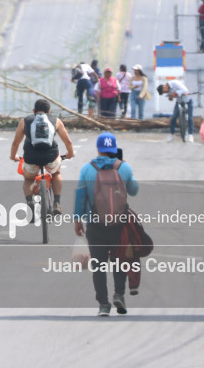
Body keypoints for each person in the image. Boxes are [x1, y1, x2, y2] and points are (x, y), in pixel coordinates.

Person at [74, 132, 139, 317]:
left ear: (98, 149)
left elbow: (80, 196)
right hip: (120, 225)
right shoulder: (123, 167)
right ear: (114, 149)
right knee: (120, 261)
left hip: (95, 225)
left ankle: (103, 304)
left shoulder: (87, 169)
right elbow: (134, 191)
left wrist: (78, 220)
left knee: (99, 266)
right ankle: (119, 294)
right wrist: (125, 170)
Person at [10, 99, 75, 216]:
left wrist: (13, 155)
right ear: (49, 111)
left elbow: (15, 143)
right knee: (56, 174)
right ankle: (56, 203)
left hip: (31, 156)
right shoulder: (56, 120)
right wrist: (70, 154)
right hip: (51, 156)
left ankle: (30, 203)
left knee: (29, 179)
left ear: (33, 110)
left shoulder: (24, 121)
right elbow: (68, 142)